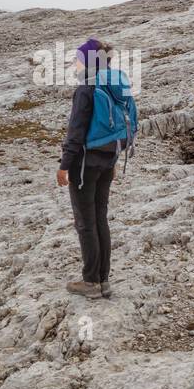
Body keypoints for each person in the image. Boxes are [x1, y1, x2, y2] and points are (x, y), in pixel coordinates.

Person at [56, 38, 138, 299]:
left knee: (85, 223)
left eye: (78, 59)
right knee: (100, 219)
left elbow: (76, 132)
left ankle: (91, 282)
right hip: (108, 159)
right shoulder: (114, 83)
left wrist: (64, 166)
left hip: (85, 165)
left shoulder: (86, 89)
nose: (74, 63)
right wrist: (112, 162)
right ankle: (103, 281)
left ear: (88, 62)